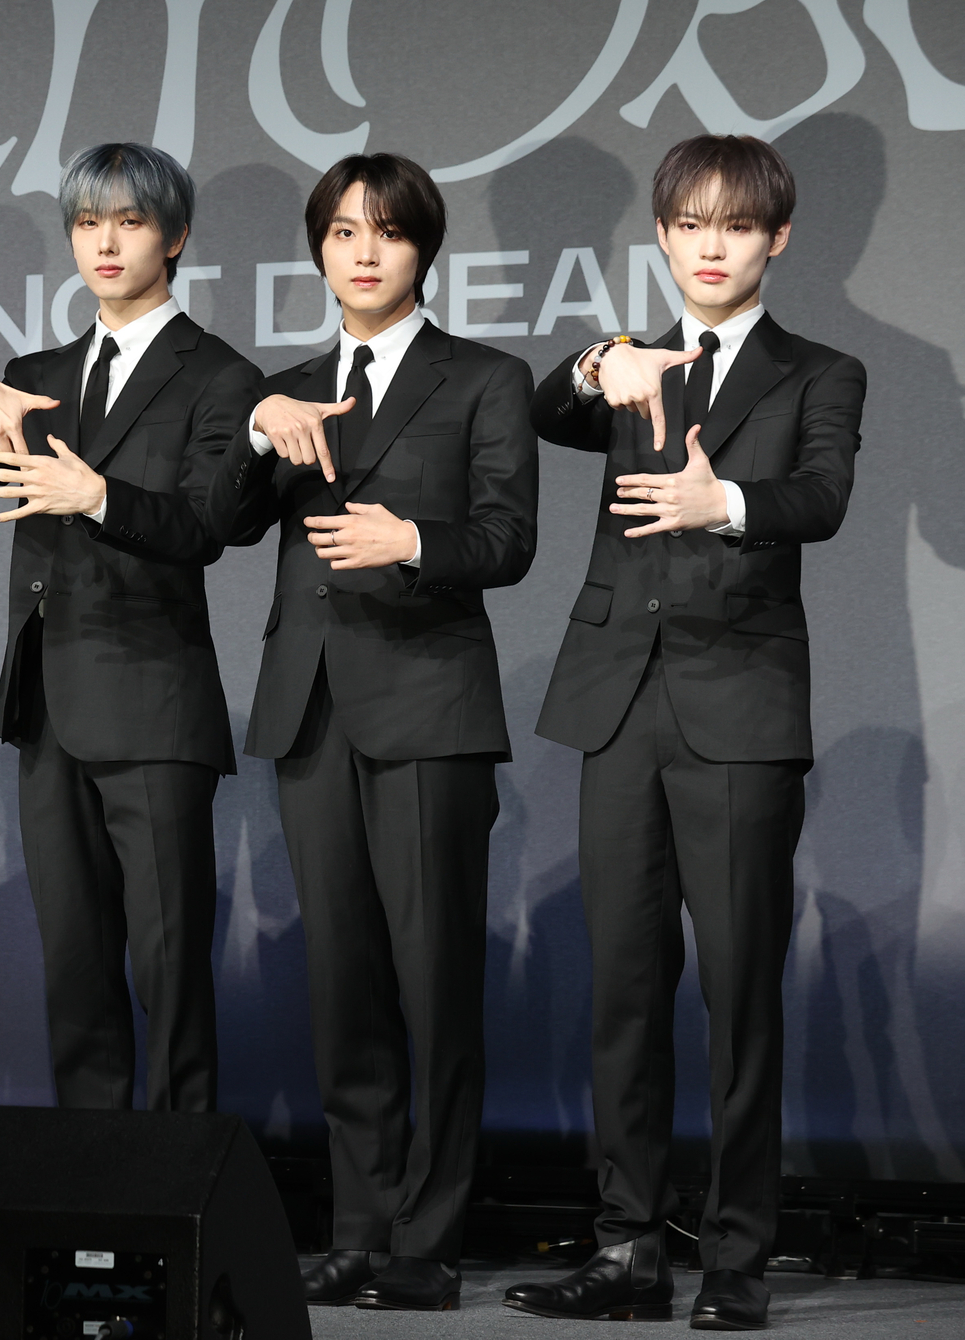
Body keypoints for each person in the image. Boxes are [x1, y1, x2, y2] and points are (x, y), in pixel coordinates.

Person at [502, 134, 863, 1332]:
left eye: (736, 226)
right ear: (660, 237)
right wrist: (598, 359)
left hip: (740, 709)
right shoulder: (626, 365)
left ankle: (738, 1262)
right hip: (618, 698)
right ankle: (623, 1248)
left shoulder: (820, 369)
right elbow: (542, 407)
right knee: (621, 986)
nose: (711, 245)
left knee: (737, 993)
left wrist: (729, 502)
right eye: (690, 224)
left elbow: (820, 495)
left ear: (776, 240)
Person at [209, 154, 537, 1311]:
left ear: (421, 251)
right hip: (309, 711)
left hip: (428, 704)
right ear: (316, 249)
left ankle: (427, 1234)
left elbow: (506, 538)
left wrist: (411, 542)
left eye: (386, 232)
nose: (361, 250)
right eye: (342, 230)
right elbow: (218, 521)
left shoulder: (484, 377)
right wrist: (254, 428)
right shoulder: (289, 385)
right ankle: (354, 1222)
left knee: (431, 977)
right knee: (340, 981)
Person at [0, 142, 259, 1115]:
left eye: (128, 221)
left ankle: (174, 1180)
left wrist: (97, 494)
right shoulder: (31, 375)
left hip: (153, 703)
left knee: (169, 968)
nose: (104, 241)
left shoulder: (218, 375)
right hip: (48, 702)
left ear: (171, 236)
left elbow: (206, 526)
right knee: (72, 965)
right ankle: (87, 1176)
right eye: (88, 223)